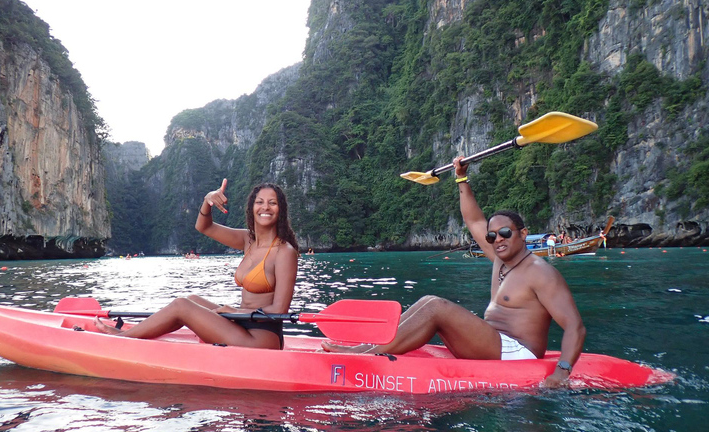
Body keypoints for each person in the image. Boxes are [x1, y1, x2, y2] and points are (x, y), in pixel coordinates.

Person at [323, 156, 586, 388]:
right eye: (493, 235)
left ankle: (365, 353)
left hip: (517, 353)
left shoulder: (540, 272)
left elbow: (575, 326)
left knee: (436, 306)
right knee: (427, 302)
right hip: (492, 341)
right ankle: (369, 347)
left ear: (523, 234)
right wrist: (461, 177)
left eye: (505, 233)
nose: (498, 239)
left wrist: (563, 370)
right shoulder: (500, 259)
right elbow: (473, 220)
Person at [95, 178, 299, 350]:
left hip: (262, 338)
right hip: (242, 324)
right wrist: (207, 201)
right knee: (192, 299)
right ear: (251, 208)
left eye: (272, 203)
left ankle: (122, 340)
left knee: (182, 306)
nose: (265, 207)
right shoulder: (248, 240)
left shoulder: (284, 251)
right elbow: (204, 226)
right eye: (259, 202)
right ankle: (131, 333)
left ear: (280, 209)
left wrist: (237, 312)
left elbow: (280, 309)